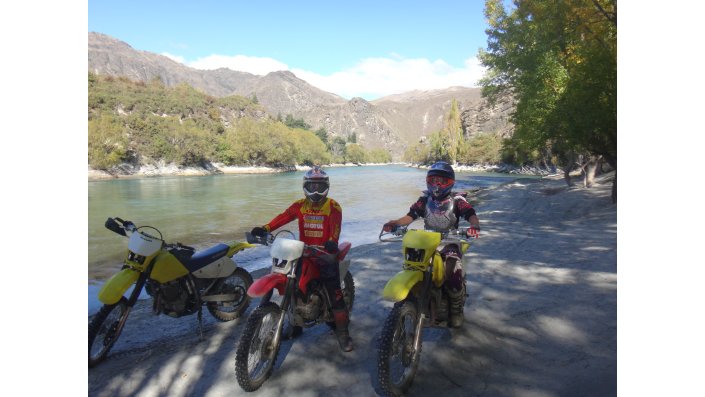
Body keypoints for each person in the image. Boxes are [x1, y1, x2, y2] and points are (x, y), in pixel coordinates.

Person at [250, 166, 353, 352]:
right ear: (305, 186)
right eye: (312, 186)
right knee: (293, 282)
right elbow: (283, 218)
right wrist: (265, 228)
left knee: (335, 292)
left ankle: (343, 333)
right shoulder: (299, 205)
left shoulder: (333, 206)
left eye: (320, 187)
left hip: (324, 253)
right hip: (302, 251)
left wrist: (331, 243)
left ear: (327, 187)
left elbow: (335, 229)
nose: (316, 191)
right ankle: (296, 324)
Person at [382, 161, 480, 328]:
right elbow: (410, 216)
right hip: (427, 241)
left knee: (453, 274)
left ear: (451, 182)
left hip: (449, 242)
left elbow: (470, 213)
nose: (437, 184)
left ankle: (456, 308)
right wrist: (396, 223)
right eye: (434, 180)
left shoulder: (457, 200)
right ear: (428, 180)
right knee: (413, 265)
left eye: (442, 181)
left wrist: (474, 226)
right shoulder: (425, 199)